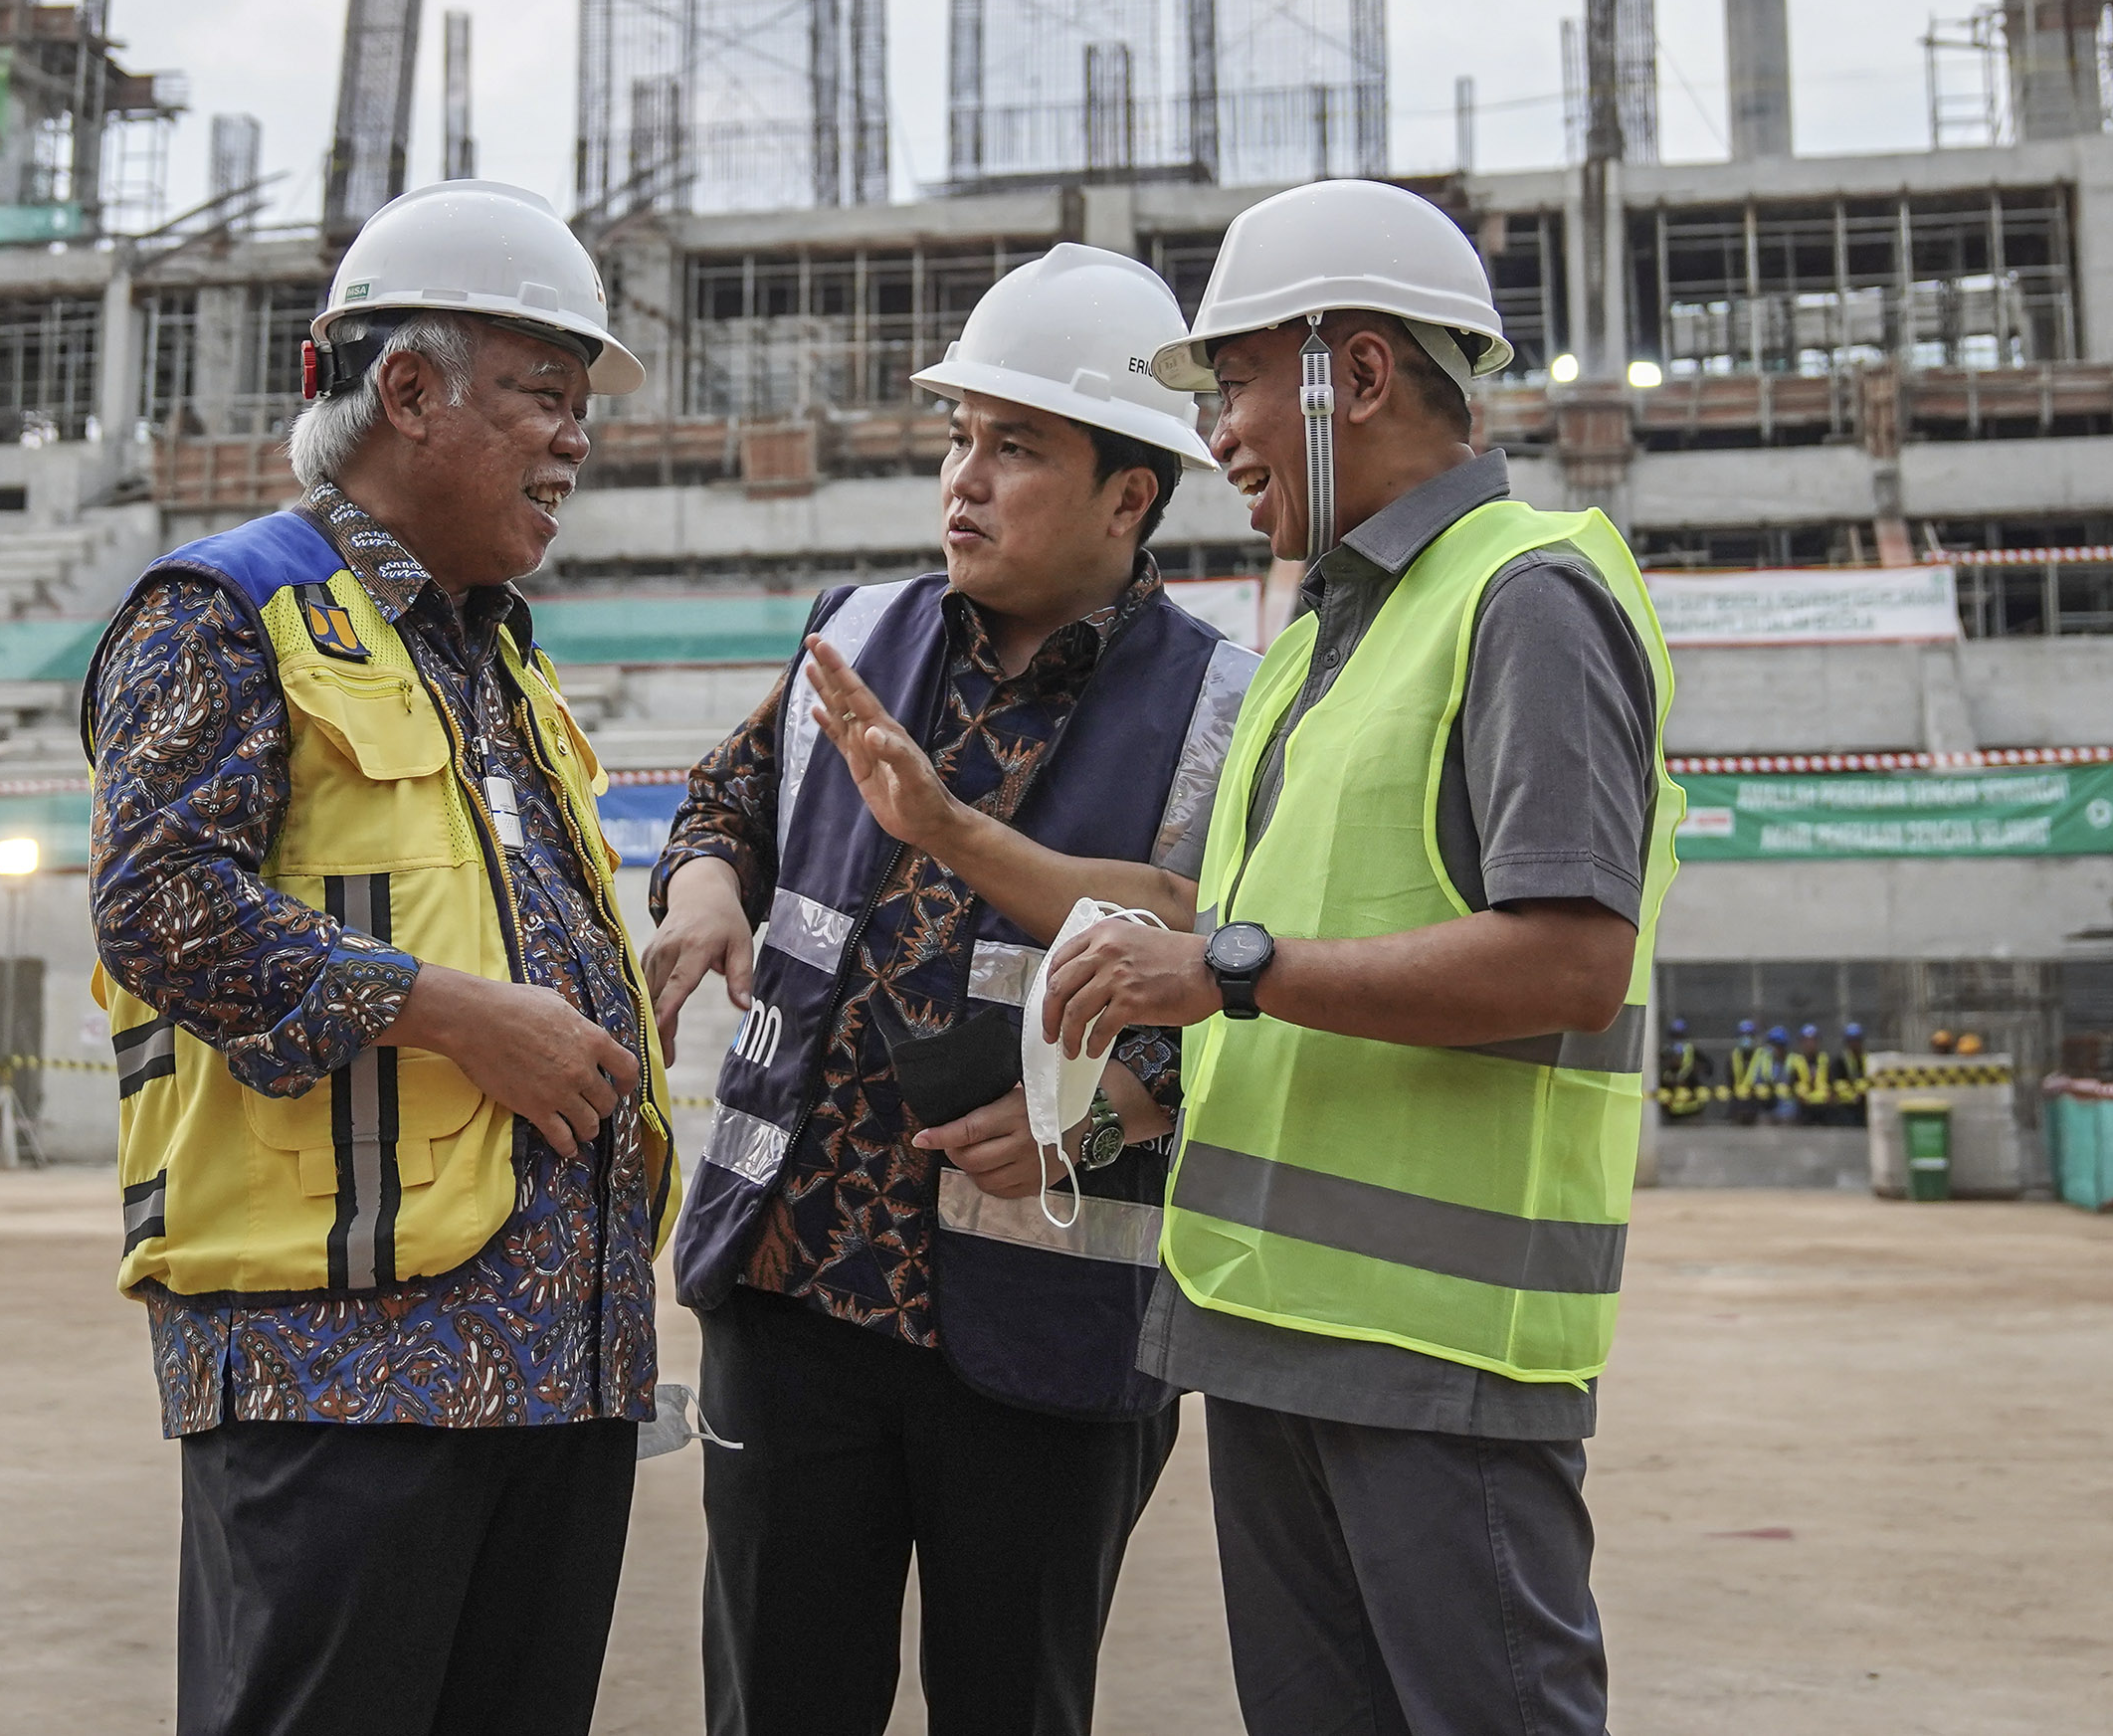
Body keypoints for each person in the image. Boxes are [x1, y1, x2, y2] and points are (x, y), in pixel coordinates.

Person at [1040, 177, 1683, 1736]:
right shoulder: (1326, 636)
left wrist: (1230, 970)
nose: (1223, 437)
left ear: (1360, 373)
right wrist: (1139, 1088)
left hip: (1436, 1360)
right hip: (1273, 1333)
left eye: (1243, 382)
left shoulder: (1526, 596)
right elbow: (1281, 957)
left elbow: (1568, 962)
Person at [83, 179, 674, 1736]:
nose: (577, 438)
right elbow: (159, 903)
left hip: (556, 1363)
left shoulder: (494, 657)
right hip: (342, 1367)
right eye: (546, 395)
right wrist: (460, 1019)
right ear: (408, 391)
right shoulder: (226, 613)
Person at [645, 243, 1255, 1736]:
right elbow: (726, 800)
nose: (962, 481)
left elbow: (1255, 998)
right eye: (958, 438)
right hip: (792, 1294)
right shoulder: (855, 634)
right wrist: (707, 885)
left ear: (1132, 495)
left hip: (1047, 1337)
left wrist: (1102, 1122)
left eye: (1017, 446)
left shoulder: (1227, 716)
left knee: (1016, 1707)